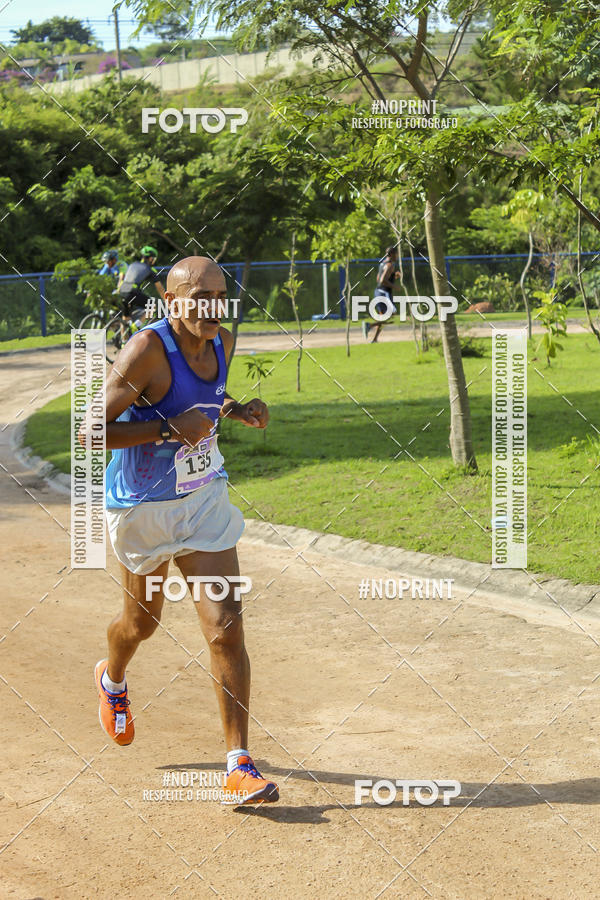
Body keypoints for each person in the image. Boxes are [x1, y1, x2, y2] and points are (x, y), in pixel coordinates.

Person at [92, 255, 279, 805]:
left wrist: (238, 408)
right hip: (143, 508)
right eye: (196, 296)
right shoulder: (147, 350)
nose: (209, 306)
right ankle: (113, 679)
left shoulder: (221, 339)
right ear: (170, 301)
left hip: (201, 501)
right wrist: (169, 428)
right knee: (140, 623)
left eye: (217, 295)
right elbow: (91, 432)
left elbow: (204, 397)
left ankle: (239, 763)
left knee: (225, 627)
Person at [117, 245, 166, 328]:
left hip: (122, 290)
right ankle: (136, 326)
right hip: (132, 292)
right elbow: (160, 288)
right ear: (151, 258)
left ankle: (123, 339)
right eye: (154, 258)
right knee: (152, 306)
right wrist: (166, 300)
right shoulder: (149, 269)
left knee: (126, 317)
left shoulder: (132, 264)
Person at [362, 244, 400, 343]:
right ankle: (369, 326)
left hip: (379, 292)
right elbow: (383, 280)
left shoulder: (383, 263)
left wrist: (394, 276)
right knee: (391, 313)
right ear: (392, 254)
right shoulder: (390, 265)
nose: (397, 256)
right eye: (396, 254)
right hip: (384, 293)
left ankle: (375, 339)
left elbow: (378, 279)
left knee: (384, 316)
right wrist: (394, 286)